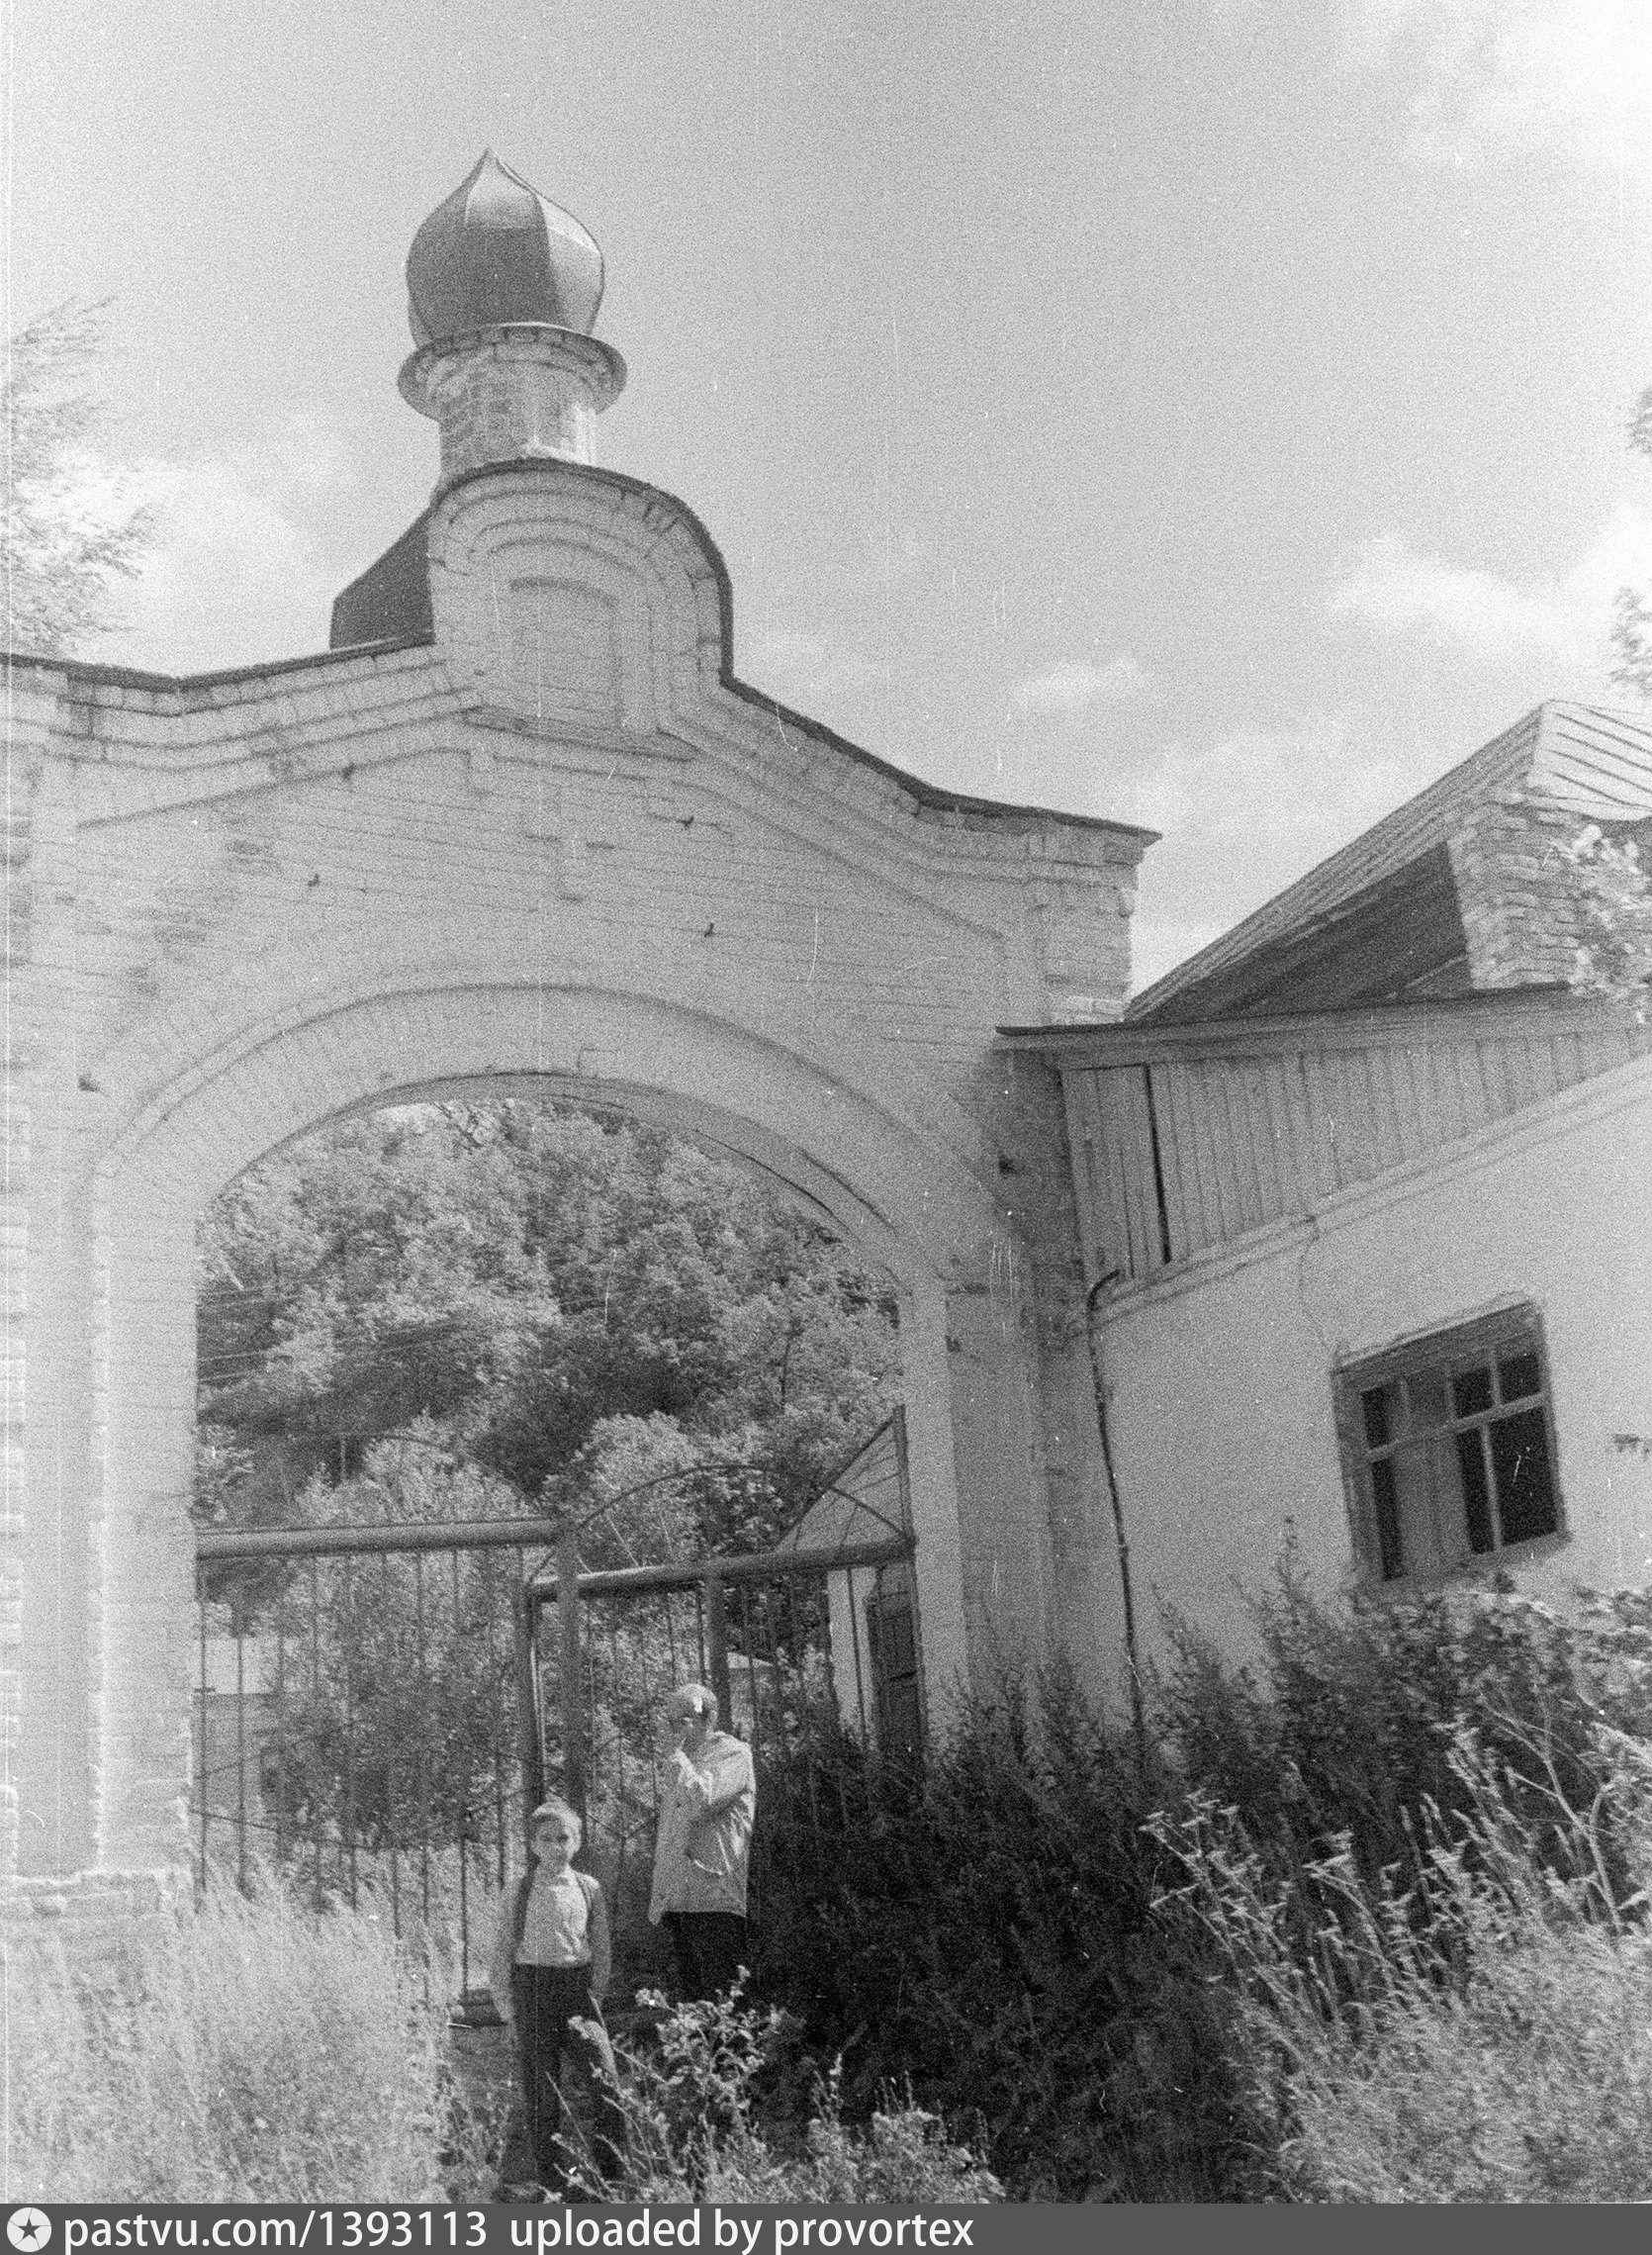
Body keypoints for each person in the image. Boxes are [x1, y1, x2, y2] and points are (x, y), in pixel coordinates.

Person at [490, 1797, 627, 2196]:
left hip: (577, 1992)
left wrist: (593, 1993)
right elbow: (502, 1951)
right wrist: (508, 2009)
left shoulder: (588, 1888)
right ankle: (552, 2181)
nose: (555, 1847)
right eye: (546, 1839)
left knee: (605, 2081)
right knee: (542, 2093)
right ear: (533, 1845)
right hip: (533, 1992)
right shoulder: (520, 1889)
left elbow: (601, 1948)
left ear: (577, 1842)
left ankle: (611, 2177)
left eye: (563, 1838)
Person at [648, 1682, 757, 2000]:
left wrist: (677, 1758)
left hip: (714, 1898)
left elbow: (701, 1801)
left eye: (681, 1721)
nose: (673, 1730)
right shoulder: (683, 1760)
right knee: (691, 2007)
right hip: (679, 1899)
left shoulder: (734, 1754)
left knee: (722, 2001)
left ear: (708, 1718)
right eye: (669, 1722)